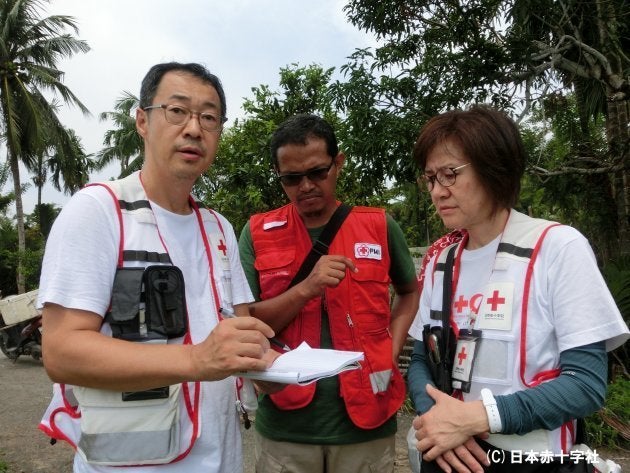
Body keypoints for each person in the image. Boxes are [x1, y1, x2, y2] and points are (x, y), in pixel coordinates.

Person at [37, 62, 278, 473]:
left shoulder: (217, 226)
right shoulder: (98, 210)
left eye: (209, 117)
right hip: (133, 461)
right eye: (177, 110)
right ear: (142, 121)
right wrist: (197, 360)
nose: (193, 129)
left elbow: (240, 327)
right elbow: (61, 351)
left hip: (222, 457)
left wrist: (271, 362)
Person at [407, 105, 629, 473]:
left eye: (450, 175)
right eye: (430, 178)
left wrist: (476, 418)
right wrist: (437, 417)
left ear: (495, 168)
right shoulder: (440, 262)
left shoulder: (556, 247)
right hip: (450, 456)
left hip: (534, 460)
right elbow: (419, 360)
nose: (437, 191)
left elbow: (586, 383)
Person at [238, 113, 420, 473]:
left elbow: (410, 292)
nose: (305, 186)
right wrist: (307, 288)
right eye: (291, 178)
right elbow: (247, 320)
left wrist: (391, 347)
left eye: (317, 172)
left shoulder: (378, 226)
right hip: (286, 428)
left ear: (338, 163)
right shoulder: (256, 233)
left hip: (367, 423)